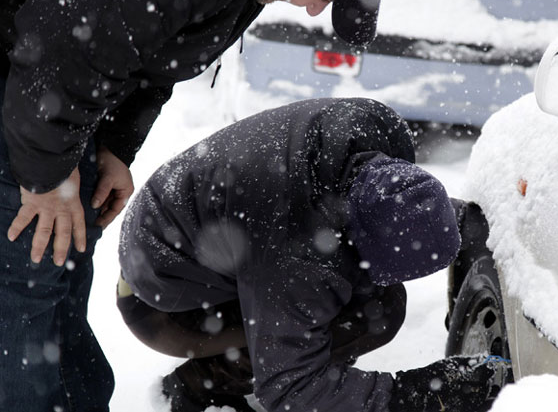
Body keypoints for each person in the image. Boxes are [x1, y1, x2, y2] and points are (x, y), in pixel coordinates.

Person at [0, 0, 395, 410]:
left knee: (63, 279)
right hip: (24, 107)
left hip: (66, 123)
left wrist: (115, 143)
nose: (317, 13)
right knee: (23, 299)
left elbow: (154, 61)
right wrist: (47, 176)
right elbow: (59, 41)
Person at [117, 98, 509, 412]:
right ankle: (196, 385)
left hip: (209, 229)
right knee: (370, 318)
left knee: (377, 301)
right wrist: (421, 393)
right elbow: (291, 389)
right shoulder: (297, 249)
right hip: (162, 301)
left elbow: (417, 215)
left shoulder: (375, 136)